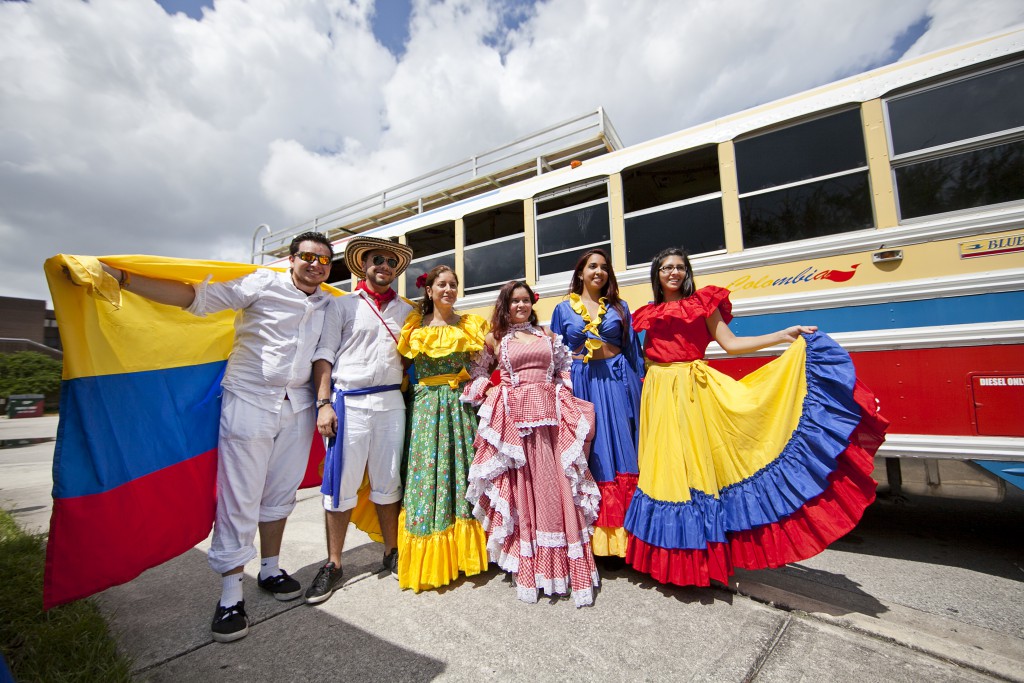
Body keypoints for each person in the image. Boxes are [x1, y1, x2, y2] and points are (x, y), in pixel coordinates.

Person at [101, 232, 335, 643]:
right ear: (291, 258)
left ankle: (269, 569)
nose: (316, 265)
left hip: (296, 408)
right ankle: (230, 596)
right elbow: (196, 298)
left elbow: (322, 356)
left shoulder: (327, 302)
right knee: (239, 497)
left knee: (280, 494)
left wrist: (320, 402)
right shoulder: (261, 282)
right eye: (308, 257)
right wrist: (121, 277)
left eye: (324, 260)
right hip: (249, 399)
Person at [623, 248, 887, 587]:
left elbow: (731, 344)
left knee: (692, 470)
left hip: (690, 391)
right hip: (657, 394)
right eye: (666, 268)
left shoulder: (703, 303)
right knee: (664, 470)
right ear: (656, 274)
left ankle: (693, 563)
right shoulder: (649, 312)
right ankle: (668, 561)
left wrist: (782, 335)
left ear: (686, 272)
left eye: (679, 267)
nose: (673, 273)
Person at [462, 280, 601, 607]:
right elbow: (480, 372)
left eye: (525, 301)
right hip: (515, 422)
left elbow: (563, 373)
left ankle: (565, 570)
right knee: (523, 490)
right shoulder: (495, 339)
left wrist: (563, 396)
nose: (521, 306)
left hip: (549, 419)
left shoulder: (548, 336)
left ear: (531, 303)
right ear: (505, 306)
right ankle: (531, 566)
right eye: (515, 302)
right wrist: (481, 392)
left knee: (554, 488)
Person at [304, 236, 415, 605]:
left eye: (390, 261)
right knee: (341, 485)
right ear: (362, 265)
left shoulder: (408, 311)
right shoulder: (342, 306)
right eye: (377, 259)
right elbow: (324, 356)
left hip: (390, 402)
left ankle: (391, 552)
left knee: (389, 481)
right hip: (348, 402)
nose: (384, 265)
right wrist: (324, 404)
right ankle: (334, 564)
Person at [394, 265, 489, 591]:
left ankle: (465, 555)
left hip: (459, 407)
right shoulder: (414, 327)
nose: (448, 289)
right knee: (427, 477)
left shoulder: (470, 325)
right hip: (425, 408)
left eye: (453, 284)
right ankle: (432, 555)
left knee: (460, 473)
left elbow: (489, 358)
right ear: (429, 290)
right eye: (442, 284)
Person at [549, 249, 644, 564]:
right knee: (590, 455)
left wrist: (639, 390)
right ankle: (589, 536)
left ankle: (621, 539)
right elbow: (556, 356)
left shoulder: (621, 307)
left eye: (604, 267)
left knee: (619, 451)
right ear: (581, 273)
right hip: (581, 383)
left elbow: (633, 352)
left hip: (615, 382)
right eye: (592, 266)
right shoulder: (563, 309)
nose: (598, 271)